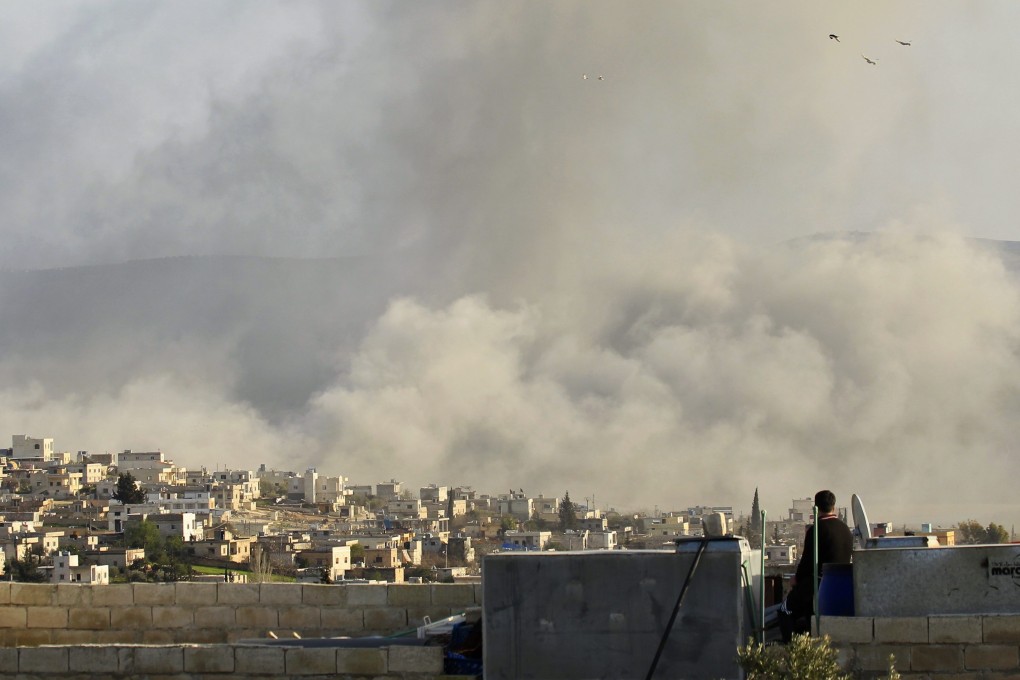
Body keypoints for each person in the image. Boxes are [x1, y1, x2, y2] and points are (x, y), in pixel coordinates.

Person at [778, 489, 853, 642]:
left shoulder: (816, 530)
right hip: (842, 585)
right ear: (834, 507)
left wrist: (796, 579)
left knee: (784, 612)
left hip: (817, 583)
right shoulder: (845, 529)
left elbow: (807, 562)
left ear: (816, 508)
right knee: (808, 618)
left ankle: (792, 653)